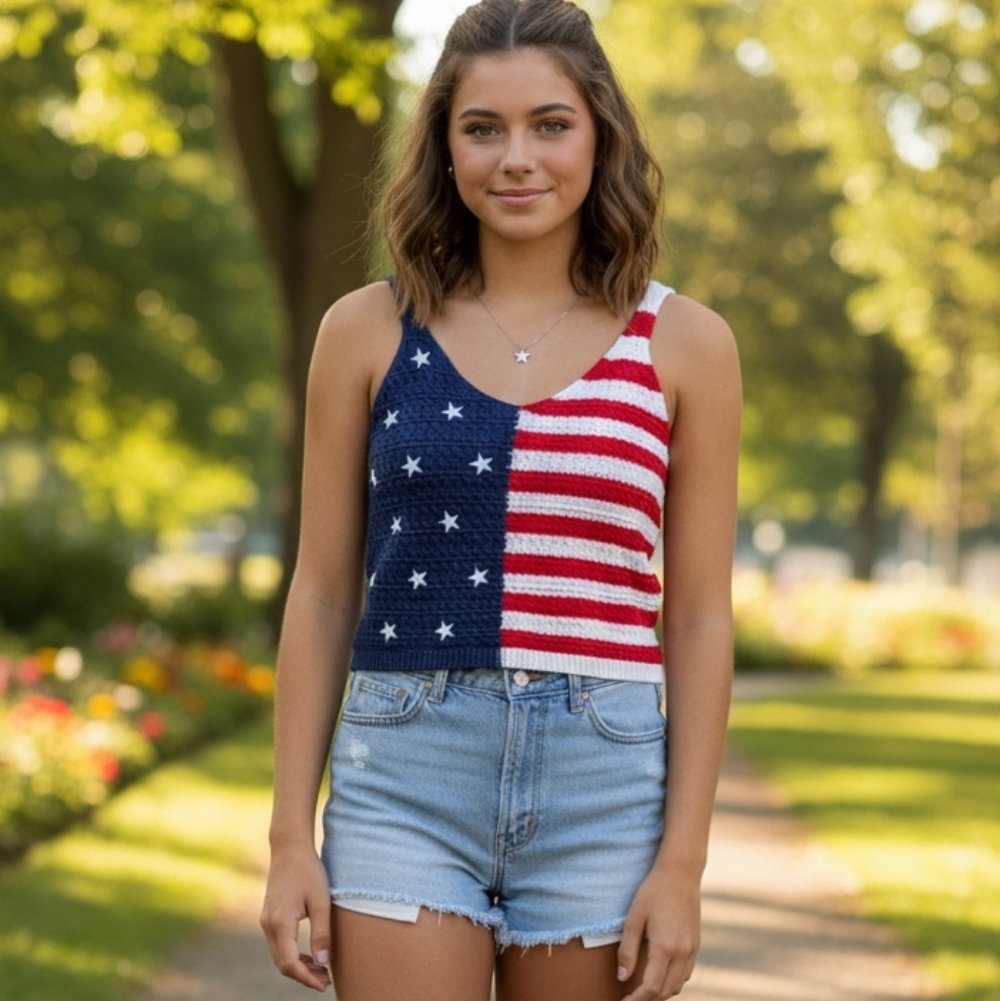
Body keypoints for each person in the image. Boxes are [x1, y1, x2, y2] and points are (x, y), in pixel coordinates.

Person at [259, 0, 741, 998]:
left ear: (599, 136)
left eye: (549, 124)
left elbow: (695, 614)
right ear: (442, 146)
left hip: (603, 789)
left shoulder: (685, 343)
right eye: (482, 127)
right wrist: (286, 840)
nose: (516, 157)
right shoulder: (366, 330)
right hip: (405, 771)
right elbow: (319, 593)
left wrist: (682, 863)